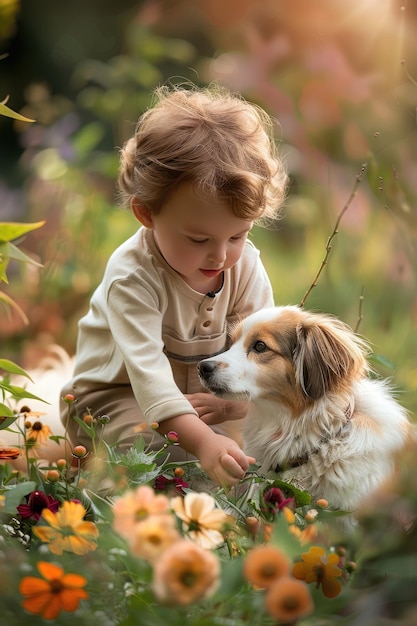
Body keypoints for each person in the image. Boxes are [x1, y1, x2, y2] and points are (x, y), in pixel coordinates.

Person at [60, 83, 287, 487]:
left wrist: (233, 409)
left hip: (204, 398)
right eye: (199, 240)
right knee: (160, 462)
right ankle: (99, 487)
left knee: (255, 463)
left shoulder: (246, 264)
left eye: (238, 236)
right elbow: (150, 383)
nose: (221, 255)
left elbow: (260, 354)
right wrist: (204, 444)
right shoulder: (133, 277)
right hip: (115, 397)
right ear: (146, 214)